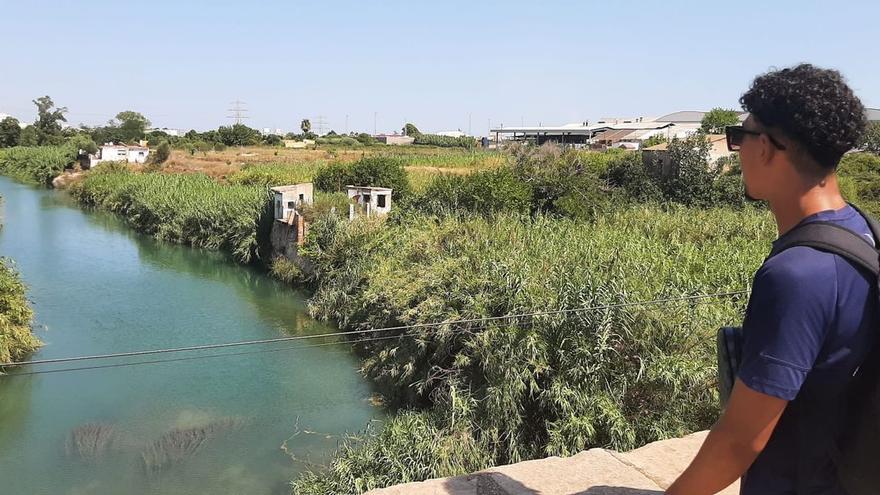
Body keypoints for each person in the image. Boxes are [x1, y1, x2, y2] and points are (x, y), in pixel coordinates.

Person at [667, 64, 874, 495]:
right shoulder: (866, 231)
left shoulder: (798, 274)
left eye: (739, 135)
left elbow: (741, 439)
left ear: (766, 148)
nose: (737, 149)